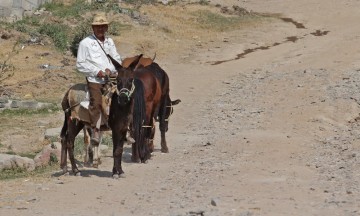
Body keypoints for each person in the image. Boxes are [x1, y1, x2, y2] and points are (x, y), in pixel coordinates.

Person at [76, 13, 122, 144]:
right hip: (95, 80)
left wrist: (111, 69)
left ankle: (126, 129)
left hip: (111, 78)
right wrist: (97, 72)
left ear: (106, 27)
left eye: (103, 26)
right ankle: (95, 130)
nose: (100, 29)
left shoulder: (110, 42)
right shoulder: (85, 43)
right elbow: (80, 64)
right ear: (93, 28)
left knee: (124, 97)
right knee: (96, 102)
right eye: (98, 27)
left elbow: (117, 58)